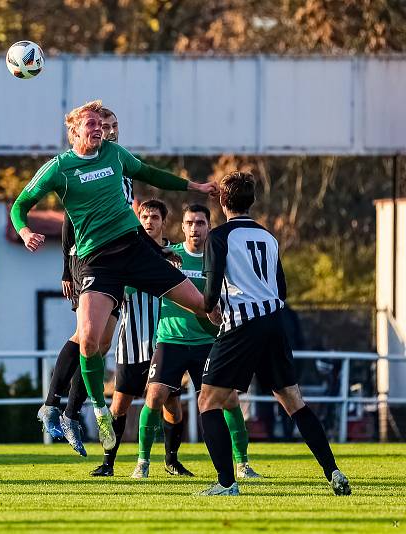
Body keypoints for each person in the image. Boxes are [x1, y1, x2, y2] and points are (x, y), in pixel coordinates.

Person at [11, 99, 216, 450]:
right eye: (90, 124)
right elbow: (20, 205)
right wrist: (25, 231)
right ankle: (97, 411)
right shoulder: (58, 168)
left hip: (135, 249)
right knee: (89, 340)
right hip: (98, 262)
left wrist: (193, 188)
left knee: (203, 305)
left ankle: (233, 363)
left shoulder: (115, 153)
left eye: (99, 124)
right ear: (74, 130)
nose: (97, 129)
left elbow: (150, 173)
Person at [197, 171, 351, 496]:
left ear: (223, 201)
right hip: (274, 321)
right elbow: (281, 288)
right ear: (251, 201)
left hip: (242, 322)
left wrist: (211, 309)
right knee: (293, 400)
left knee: (207, 400)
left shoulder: (219, 236)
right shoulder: (269, 237)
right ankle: (332, 471)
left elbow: (211, 290)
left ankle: (226, 483)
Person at [134, 204, 261, 480]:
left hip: (208, 342)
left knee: (228, 399)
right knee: (154, 396)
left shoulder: (218, 258)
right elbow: (137, 278)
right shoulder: (169, 257)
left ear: (208, 227)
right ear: (182, 227)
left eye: (200, 223)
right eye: (190, 223)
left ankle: (243, 464)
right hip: (171, 339)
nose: (195, 228)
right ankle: (142, 463)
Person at [37, 107, 129, 457]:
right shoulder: (82, 166)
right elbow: (70, 218)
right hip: (87, 258)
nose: (109, 130)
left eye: (113, 125)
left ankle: (71, 411)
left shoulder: (117, 162)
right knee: (86, 336)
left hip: (116, 257)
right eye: (103, 125)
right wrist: (66, 267)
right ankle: (54, 406)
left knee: (103, 342)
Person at [90, 198, 192, 477]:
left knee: (171, 402)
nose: (149, 222)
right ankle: (108, 461)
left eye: (154, 218)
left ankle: (171, 460)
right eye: (144, 217)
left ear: (163, 221)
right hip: (131, 343)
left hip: (165, 342)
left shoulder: (174, 256)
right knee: (119, 403)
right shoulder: (125, 255)